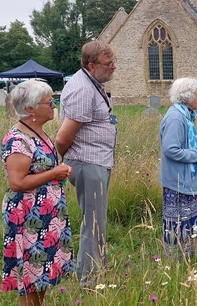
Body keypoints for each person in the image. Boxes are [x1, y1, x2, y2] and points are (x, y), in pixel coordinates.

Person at [0, 80, 74, 306]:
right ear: (30, 109)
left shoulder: (38, 133)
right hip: (27, 217)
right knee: (30, 276)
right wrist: (55, 173)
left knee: (41, 275)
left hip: (47, 215)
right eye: (49, 102)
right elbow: (17, 182)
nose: (54, 105)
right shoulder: (17, 139)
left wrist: (58, 172)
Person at [55, 40, 117, 289]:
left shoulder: (93, 83)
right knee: (93, 222)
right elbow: (62, 138)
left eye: (114, 62)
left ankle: (95, 269)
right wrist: (66, 162)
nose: (114, 67)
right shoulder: (82, 89)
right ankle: (90, 281)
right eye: (108, 63)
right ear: (91, 66)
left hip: (96, 161)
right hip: (87, 162)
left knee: (96, 220)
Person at [160, 77, 197, 259]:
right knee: (179, 223)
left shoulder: (185, 115)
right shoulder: (176, 118)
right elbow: (170, 150)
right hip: (179, 183)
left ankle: (193, 255)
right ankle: (178, 260)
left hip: (188, 181)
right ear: (187, 96)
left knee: (192, 221)